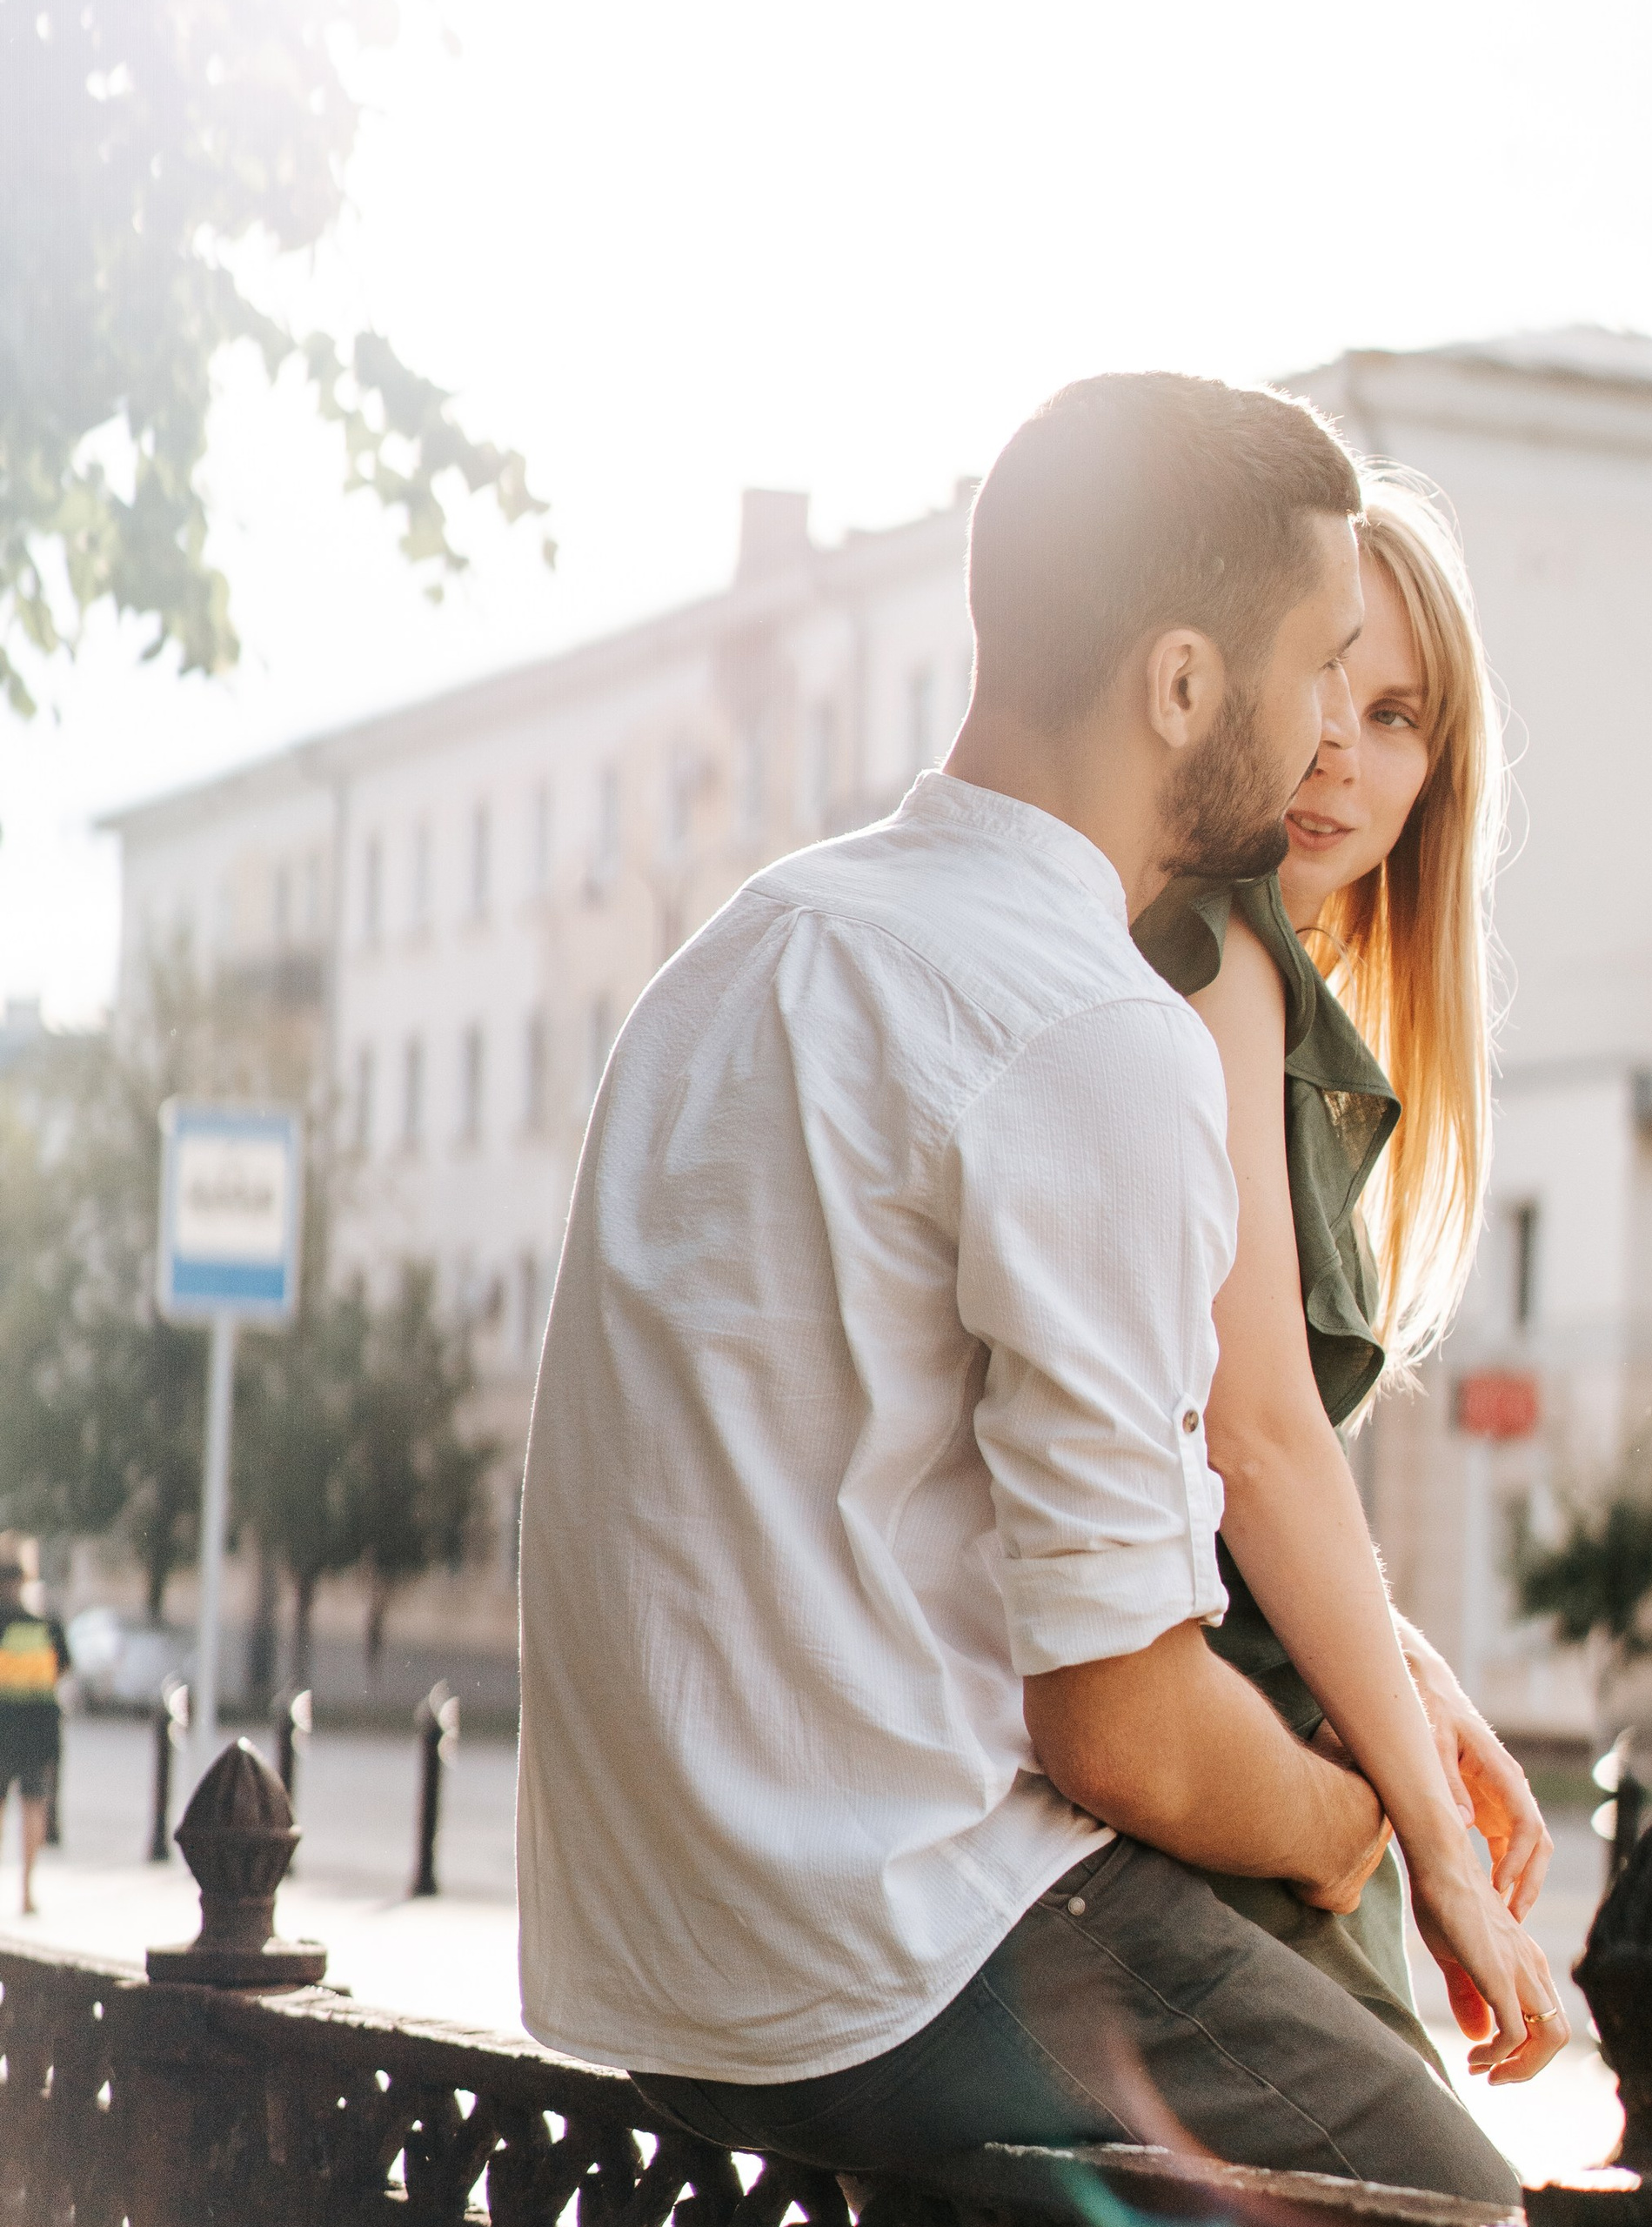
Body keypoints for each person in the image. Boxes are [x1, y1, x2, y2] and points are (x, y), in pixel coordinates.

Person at [517, 373, 1556, 2203]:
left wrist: (1382, 1687)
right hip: (886, 1951)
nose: (1334, 730)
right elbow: (1124, 1728)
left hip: (646, 1956)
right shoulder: (1090, 1029)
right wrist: (1352, 1826)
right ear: (1183, 686)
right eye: (1322, 666)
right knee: (1452, 2203)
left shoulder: (743, 949)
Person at [1132, 471, 1553, 2077]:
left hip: (1265, 1758)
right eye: (1324, 683)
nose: (1340, 755)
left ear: (1442, 771)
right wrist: (1438, 1844)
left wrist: (1416, 1682)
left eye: (1395, 717)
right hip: (1209, 1782)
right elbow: (1251, 1441)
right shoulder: (1219, 952)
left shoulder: (1276, 984)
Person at [0, 1539, 70, 1917]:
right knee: (33, 1806)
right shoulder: (47, 1623)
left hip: (3, 1727)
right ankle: (27, 1891)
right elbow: (64, 1667)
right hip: (40, 1730)